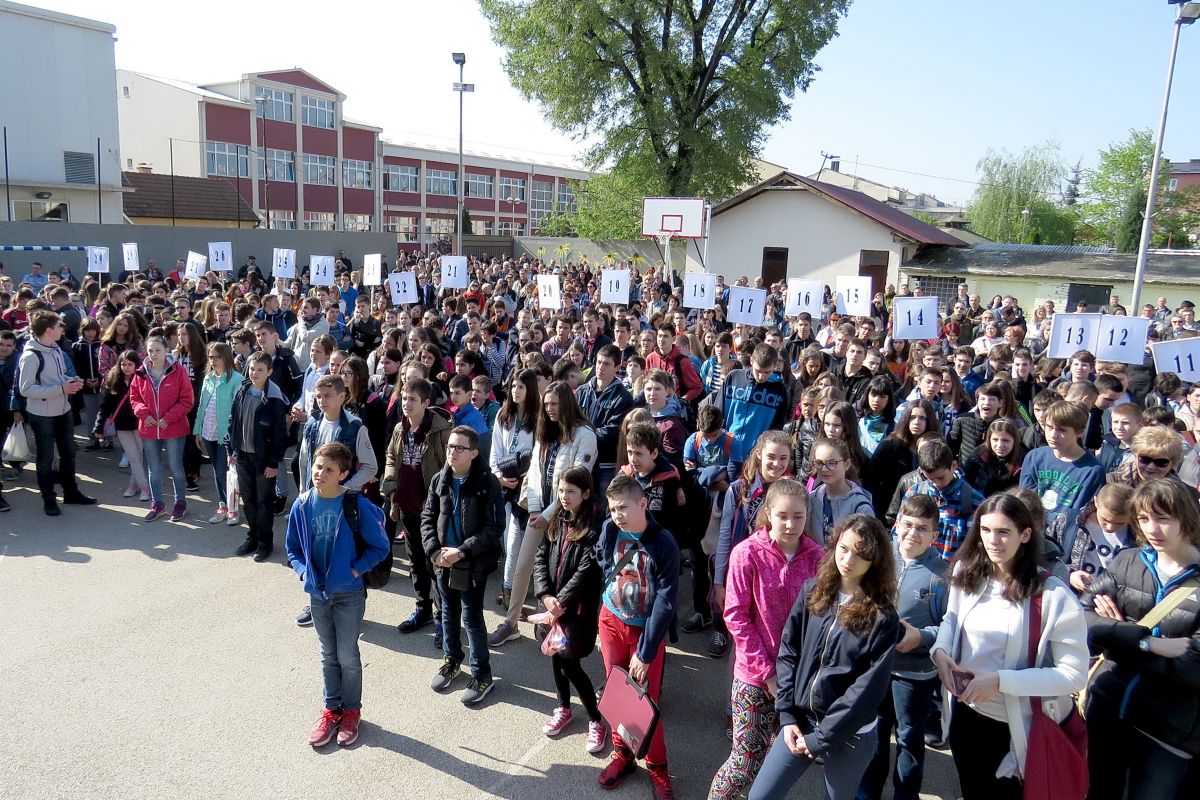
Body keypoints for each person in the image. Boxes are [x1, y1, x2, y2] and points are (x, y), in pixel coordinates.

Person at [930, 493, 1089, 800]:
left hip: (1017, 731)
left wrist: (1001, 681)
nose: (993, 540)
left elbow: (1073, 675)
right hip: (966, 718)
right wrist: (940, 652)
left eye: (1003, 532)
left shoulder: (1053, 595)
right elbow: (951, 620)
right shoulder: (967, 570)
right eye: (986, 530)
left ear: (1026, 534)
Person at [747, 514, 900, 800]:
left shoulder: (882, 617)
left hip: (850, 734)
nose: (849, 559)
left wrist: (822, 739)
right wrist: (788, 715)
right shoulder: (813, 590)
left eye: (860, 553)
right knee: (759, 796)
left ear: (876, 561)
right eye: (844, 548)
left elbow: (867, 691)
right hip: (801, 721)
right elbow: (789, 653)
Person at [1081, 478, 1200, 800]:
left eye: (1163, 518)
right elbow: (1081, 624)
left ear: (1186, 518)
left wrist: (1116, 634)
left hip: (1169, 729)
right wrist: (1144, 641)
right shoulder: (1128, 560)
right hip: (1108, 706)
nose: (1153, 528)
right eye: (1145, 518)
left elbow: (1192, 670)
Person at [708, 478, 823, 800]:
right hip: (754, 679)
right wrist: (767, 673)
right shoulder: (747, 554)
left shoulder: (819, 557)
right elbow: (736, 616)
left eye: (798, 517)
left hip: (798, 681)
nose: (790, 524)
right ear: (768, 513)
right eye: (783, 515)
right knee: (744, 763)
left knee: (776, 764)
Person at [286, 442, 389, 748]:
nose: (320, 473)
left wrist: (357, 569)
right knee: (327, 654)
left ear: (344, 474)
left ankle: (352, 712)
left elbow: (380, 547)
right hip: (318, 595)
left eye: (328, 469)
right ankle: (332, 710)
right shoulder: (302, 505)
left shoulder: (356, 506)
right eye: (318, 467)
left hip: (348, 594)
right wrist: (304, 572)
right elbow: (292, 548)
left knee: (347, 655)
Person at [491, 380, 597, 647]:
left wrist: (549, 514)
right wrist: (537, 510)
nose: (549, 409)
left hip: (569, 519)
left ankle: (556, 625)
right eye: (546, 404)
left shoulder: (584, 435)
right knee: (522, 566)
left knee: (561, 575)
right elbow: (536, 474)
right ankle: (511, 622)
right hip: (540, 514)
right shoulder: (544, 433)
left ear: (567, 404)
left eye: (554, 404)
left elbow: (576, 481)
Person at [857, 495, 948, 800]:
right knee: (875, 734)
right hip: (876, 667)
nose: (913, 533)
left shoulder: (942, 574)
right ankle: (867, 792)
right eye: (907, 525)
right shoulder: (880, 559)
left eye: (922, 528)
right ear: (896, 525)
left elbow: (951, 626)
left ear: (935, 535)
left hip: (915, 673)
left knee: (909, 737)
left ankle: (905, 795)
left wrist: (921, 637)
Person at [595, 474, 680, 799]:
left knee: (645, 701)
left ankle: (658, 767)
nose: (617, 515)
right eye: (613, 508)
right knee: (619, 694)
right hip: (611, 622)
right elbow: (603, 564)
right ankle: (624, 754)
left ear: (643, 504)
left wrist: (645, 652)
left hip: (645, 632)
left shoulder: (664, 543)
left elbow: (667, 600)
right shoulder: (610, 529)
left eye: (624, 508)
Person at [424, 425, 504, 706]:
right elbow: (428, 517)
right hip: (443, 563)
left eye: (459, 448)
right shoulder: (440, 480)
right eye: (449, 447)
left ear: (473, 452)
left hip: (472, 564)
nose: (452, 452)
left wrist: (462, 551)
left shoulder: (487, 483)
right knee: (447, 612)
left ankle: (482, 675)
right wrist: (434, 551)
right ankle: (452, 660)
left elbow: (494, 528)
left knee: (471, 617)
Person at [532, 466, 607, 751]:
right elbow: (542, 556)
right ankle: (563, 707)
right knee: (555, 657)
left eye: (571, 491)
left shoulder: (594, 528)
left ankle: (595, 719)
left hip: (576, 613)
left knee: (570, 664)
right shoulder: (558, 520)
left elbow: (587, 572)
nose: (564, 496)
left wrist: (559, 602)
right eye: (561, 490)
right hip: (553, 607)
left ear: (586, 493)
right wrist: (545, 594)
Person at [17, 310, 95, 515]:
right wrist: (62, 389)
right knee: (45, 457)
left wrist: (71, 382)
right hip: (42, 414)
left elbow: (58, 376)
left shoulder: (55, 349)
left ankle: (71, 493)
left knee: (69, 453)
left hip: (63, 410)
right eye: (59, 325)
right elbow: (25, 389)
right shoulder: (30, 356)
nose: (63, 328)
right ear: (48, 330)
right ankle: (49, 499)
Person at [227, 351, 290, 561]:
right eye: (252, 369)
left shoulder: (273, 398)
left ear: (269, 372)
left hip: (264, 461)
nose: (255, 373)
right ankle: (252, 536)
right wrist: (231, 449)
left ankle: (265, 542)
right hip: (243, 456)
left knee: (264, 502)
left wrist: (273, 463)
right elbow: (232, 420)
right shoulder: (243, 390)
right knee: (249, 500)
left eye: (260, 370)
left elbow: (280, 434)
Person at [128, 335, 193, 522]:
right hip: (149, 429)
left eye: (158, 350)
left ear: (166, 350)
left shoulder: (178, 371)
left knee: (175, 466)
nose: (154, 354)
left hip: (173, 427)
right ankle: (158, 504)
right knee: (154, 468)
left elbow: (187, 400)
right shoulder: (140, 373)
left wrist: (169, 418)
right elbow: (134, 399)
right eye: (150, 351)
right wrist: (144, 414)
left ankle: (180, 503)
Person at [490, 369, 538, 610]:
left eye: (521, 387)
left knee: (516, 542)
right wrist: (499, 476)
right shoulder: (503, 414)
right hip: (505, 486)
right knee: (508, 541)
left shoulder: (539, 418)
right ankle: (512, 587)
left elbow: (539, 455)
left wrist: (524, 477)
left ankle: (511, 590)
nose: (516, 391)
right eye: (513, 386)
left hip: (528, 489)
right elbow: (495, 452)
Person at [1019, 400, 1106, 517]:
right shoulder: (1034, 457)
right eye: (1049, 427)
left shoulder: (1092, 470)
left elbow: (1079, 514)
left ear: (1080, 431)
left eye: (1062, 430)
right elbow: (1025, 501)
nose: (1053, 435)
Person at [193, 342, 243, 525]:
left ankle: (233, 509)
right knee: (217, 470)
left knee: (227, 471)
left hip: (226, 435)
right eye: (210, 357)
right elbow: (201, 405)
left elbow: (238, 411)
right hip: (209, 430)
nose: (213, 361)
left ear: (226, 357)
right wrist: (197, 430)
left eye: (217, 357)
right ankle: (223, 504)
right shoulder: (208, 378)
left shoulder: (236, 379)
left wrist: (234, 436)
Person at [575, 343, 634, 494]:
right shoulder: (582, 391)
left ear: (617, 367)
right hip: (578, 459)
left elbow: (613, 431)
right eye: (599, 362)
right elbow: (571, 420)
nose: (600, 367)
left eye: (607, 364)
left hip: (605, 464)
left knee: (602, 509)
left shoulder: (622, 397)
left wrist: (583, 434)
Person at [94, 350, 150, 501]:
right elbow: (105, 405)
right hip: (122, 425)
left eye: (130, 364)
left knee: (138, 455)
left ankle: (133, 485)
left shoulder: (143, 378)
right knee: (133, 456)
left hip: (140, 423)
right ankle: (144, 487)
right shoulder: (114, 380)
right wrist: (99, 426)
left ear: (136, 365)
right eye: (123, 364)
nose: (126, 367)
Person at [806, 438, 874, 544]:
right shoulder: (811, 499)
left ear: (846, 464)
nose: (824, 469)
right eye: (819, 463)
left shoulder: (860, 506)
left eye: (831, 463)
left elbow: (866, 546)